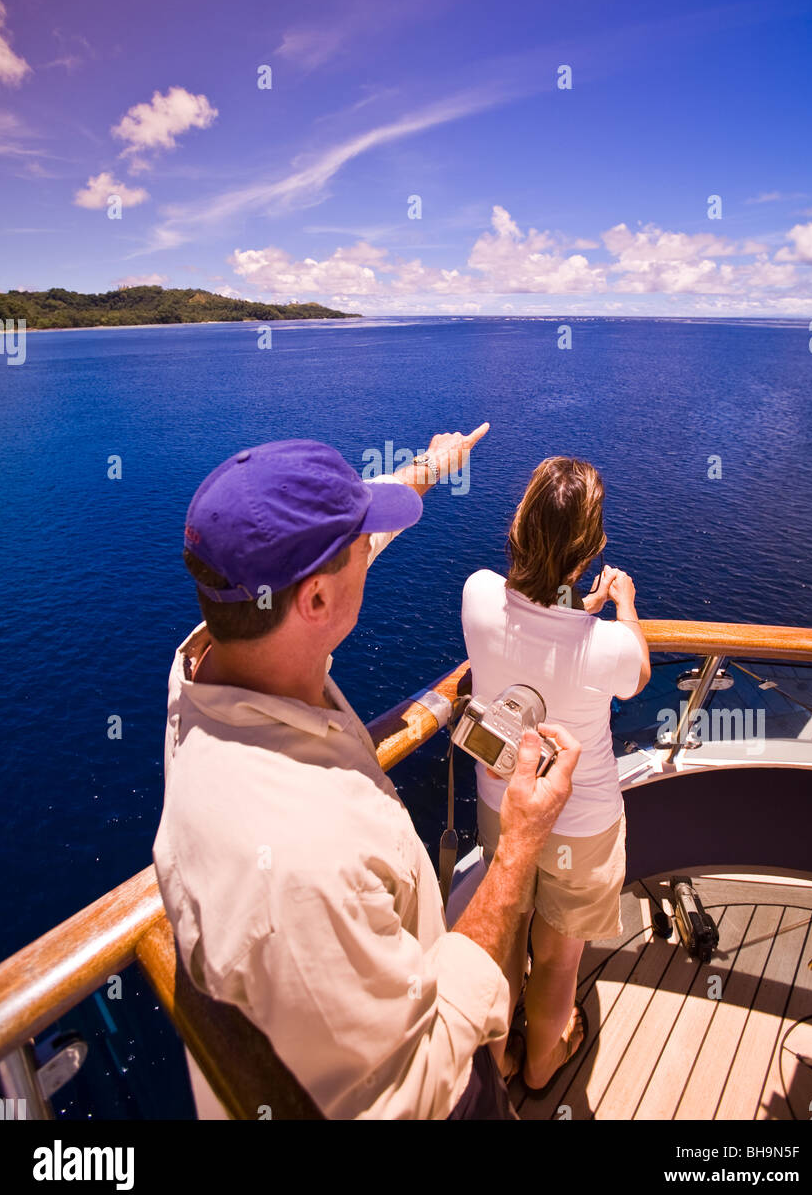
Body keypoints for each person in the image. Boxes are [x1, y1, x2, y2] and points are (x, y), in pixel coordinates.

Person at [153, 428, 582, 1120]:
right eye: (362, 542)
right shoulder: (301, 862)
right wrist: (523, 843)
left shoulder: (215, 659)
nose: (371, 548)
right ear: (316, 603)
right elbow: (415, 1087)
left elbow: (327, 563)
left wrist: (430, 470)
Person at [461, 456, 651, 1095]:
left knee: (502, 940)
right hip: (581, 820)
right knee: (559, 959)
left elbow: (533, 617)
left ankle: (497, 1067)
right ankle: (542, 1067)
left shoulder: (478, 595)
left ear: (518, 527)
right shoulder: (608, 646)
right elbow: (637, 670)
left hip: (503, 801)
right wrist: (618, 604)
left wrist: (575, 601)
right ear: (590, 549)